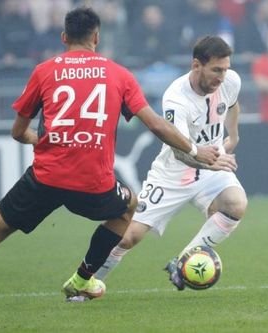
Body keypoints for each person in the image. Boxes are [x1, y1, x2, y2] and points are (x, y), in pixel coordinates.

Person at [0, 7, 221, 314]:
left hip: (46, 178)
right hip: (94, 182)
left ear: (64, 37)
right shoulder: (119, 74)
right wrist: (196, 151)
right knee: (128, 208)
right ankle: (82, 278)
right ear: (97, 37)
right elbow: (157, 126)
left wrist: (33, 138)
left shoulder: (44, 71)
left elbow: (17, 131)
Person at [94, 35, 247, 291]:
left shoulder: (231, 81)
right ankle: (87, 282)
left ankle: (182, 261)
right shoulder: (176, 98)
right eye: (216, 70)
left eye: (225, 69)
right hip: (174, 173)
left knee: (236, 203)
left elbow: (232, 104)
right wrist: (210, 162)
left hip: (212, 163)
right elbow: (180, 151)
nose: (222, 77)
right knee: (129, 237)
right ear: (196, 65)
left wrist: (234, 136)